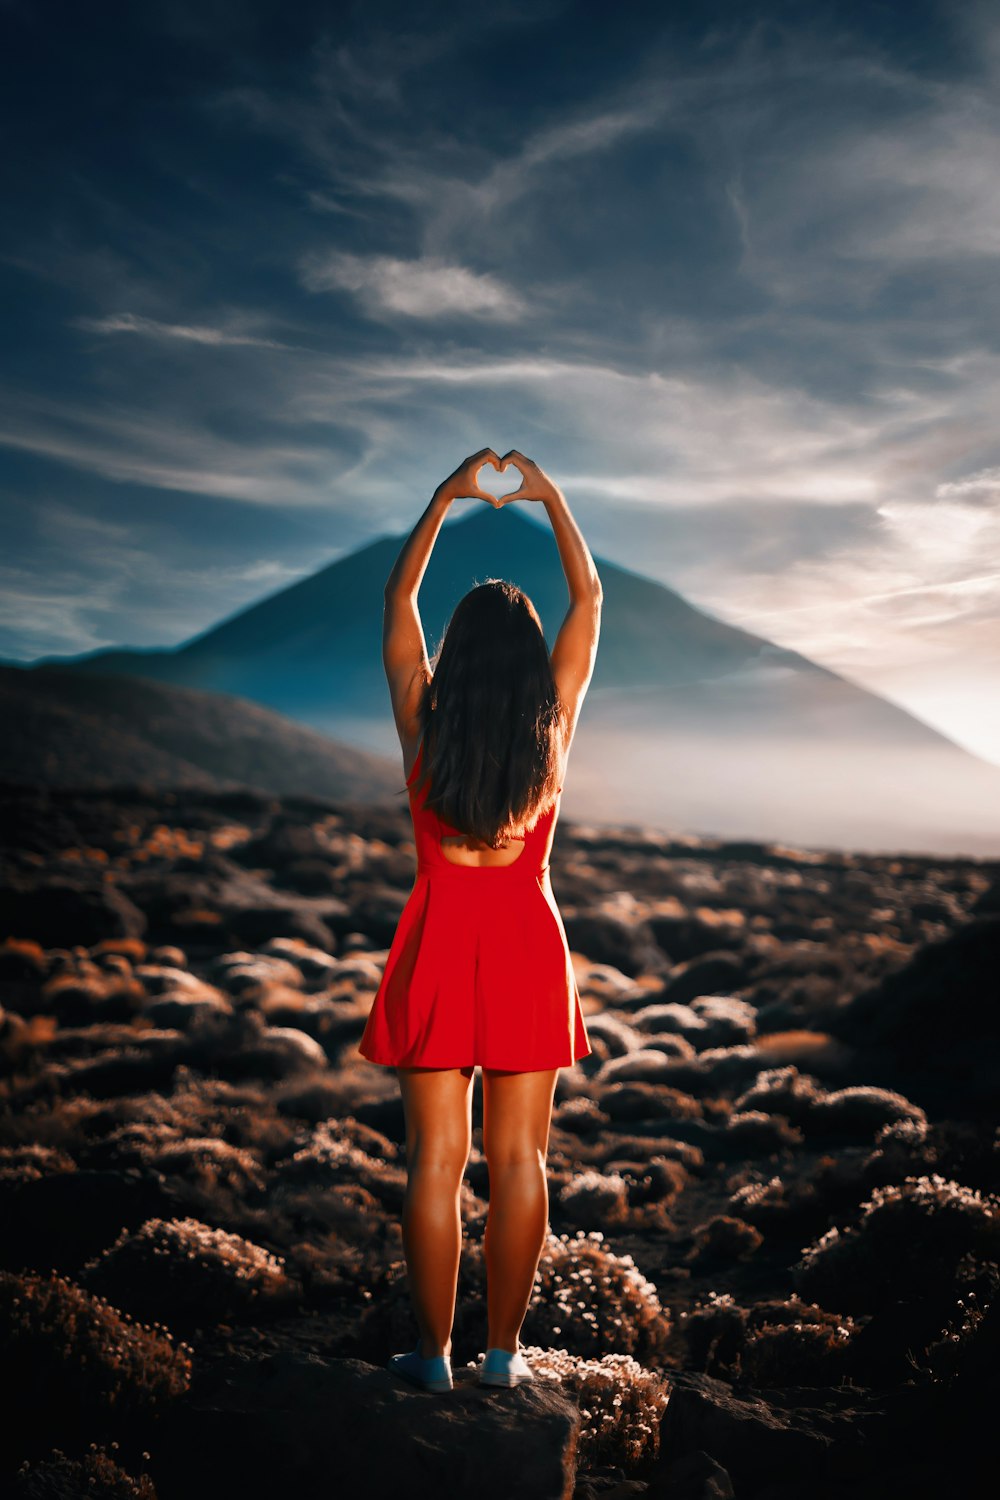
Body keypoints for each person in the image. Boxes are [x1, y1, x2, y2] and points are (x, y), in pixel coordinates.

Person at [358, 447, 603, 1393]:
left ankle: (433, 1359)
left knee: (433, 1163)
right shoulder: (555, 724)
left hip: (434, 944)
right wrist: (549, 494)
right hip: (528, 949)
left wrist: (444, 496)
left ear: (457, 654)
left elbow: (396, 598)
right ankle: (503, 1358)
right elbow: (588, 599)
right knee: (521, 1159)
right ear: (529, 660)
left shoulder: (423, 719)